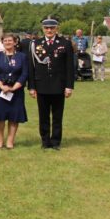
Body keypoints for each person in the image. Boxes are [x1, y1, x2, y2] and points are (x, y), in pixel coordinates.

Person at [28, 16, 74, 150]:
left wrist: (69, 86)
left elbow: (69, 67)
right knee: (43, 116)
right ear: (43, 29)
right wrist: (31, 86)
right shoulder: (35, 43)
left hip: (59, 85)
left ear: (56, 29)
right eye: (46, 28)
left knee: (57, 116)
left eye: (52, 28)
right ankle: (45, 141)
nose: (49, 30)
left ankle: (55, 142)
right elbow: (31, 67)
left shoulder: (64, 43)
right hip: (41, 85)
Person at [0, 33, 28, 149]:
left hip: (16, 91)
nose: (8, 42)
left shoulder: (22, 56)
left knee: (14, 116)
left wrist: (14, 87)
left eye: (10, 40)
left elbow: (24, 73)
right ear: (2, 42)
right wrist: (1, 86)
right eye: (5, 41)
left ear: (15, 42)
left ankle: (10, 141)